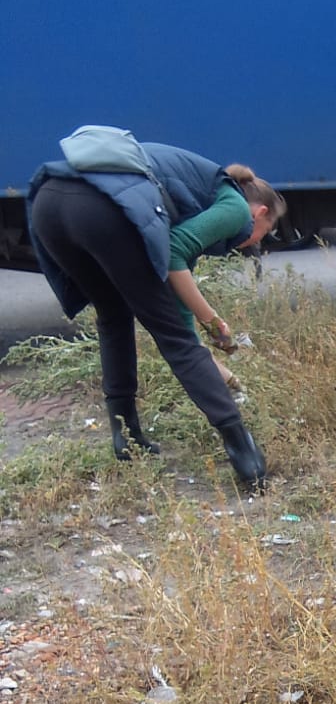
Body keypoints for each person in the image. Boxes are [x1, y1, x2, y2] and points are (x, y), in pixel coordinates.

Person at [27, 137, 286, 490]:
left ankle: (126, 438)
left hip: (49, 202)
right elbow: (175, 254)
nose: (254, 243)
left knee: (113, 316)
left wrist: (220, 369)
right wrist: (212, 321)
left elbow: (176, 300)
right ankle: (245, 455)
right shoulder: (236, 208)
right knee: (172, 340)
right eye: (263, 234)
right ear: (260, 213)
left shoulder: (195, 191)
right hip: (100, 209)